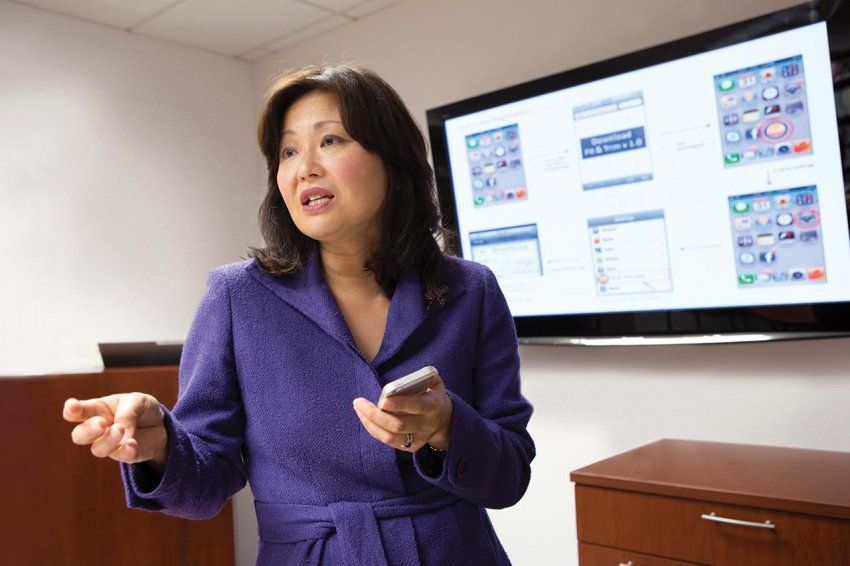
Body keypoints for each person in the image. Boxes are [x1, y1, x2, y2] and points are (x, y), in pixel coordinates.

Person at [62, 64, 536, 565]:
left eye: (330, 141)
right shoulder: (238, 296)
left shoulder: (471, 290)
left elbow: (511, 475)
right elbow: (206, 480)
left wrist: (447, 427)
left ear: (393, 158)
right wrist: (163, 447)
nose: (303, 166)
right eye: (288, 151)